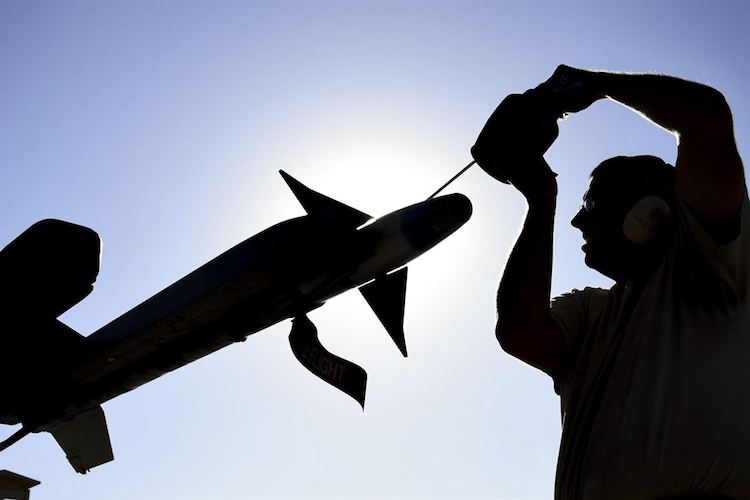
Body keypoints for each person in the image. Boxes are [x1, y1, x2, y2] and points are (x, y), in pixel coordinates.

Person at [471, 66, 750, 499]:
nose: (579, 220)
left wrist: (596, 86)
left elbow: (705, 114)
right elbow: (521, 334)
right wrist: (541, 198)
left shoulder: (712, 259)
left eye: (592, 203)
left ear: (649, 213)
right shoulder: (590, 310)